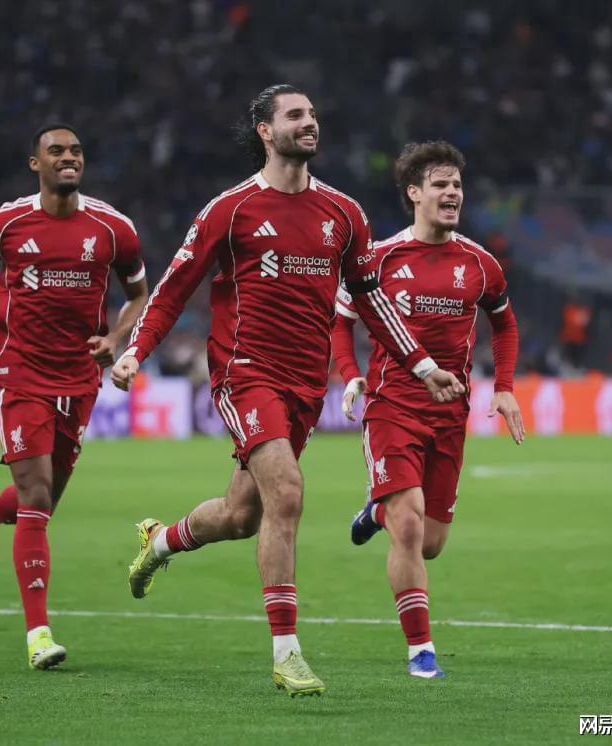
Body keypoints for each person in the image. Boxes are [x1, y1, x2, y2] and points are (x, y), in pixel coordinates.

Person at [109, 85, 463, 696]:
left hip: (305, 385)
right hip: (244, 371)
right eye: (295, 115)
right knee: (289, 492)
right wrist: (135, 352)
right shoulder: (232, 210)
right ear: (266, 132)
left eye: (313, 114)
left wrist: (423, 364)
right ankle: (287, 652)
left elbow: (372, 301)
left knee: (242, 516)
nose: (310, 122)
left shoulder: (343, 214)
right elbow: (173, 289)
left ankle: (160, 541)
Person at [0, 124, 149, 669]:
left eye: (76, 151)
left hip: (79, 378)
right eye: (55, 151)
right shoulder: (5, 222)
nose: (68, 158)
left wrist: (116, 337)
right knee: (35, 498)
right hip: (20, 370)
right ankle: (39, 634)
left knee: (41, 501)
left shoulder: (113, 228)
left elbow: (138, 294)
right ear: (35, 164)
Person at [333, 140, 524, 679]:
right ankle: (421, 651)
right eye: (441, 184)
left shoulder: (480, 263)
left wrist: (504, 386)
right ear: (414, 193)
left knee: (431, 543)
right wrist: (350, 374)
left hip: (450, 415)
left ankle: (376, 513)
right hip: (392, 407)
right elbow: (342, 319)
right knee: (410, 524)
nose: (452, 193)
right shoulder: (381, 258)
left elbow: (505, 323)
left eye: (457, 185)